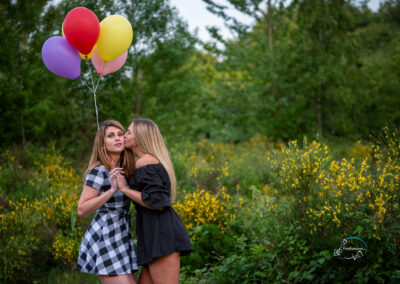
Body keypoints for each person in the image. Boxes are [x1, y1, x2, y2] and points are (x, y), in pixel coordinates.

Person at [115, 118, 193, 284]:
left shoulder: (146, 162)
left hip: (161, 236)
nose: (124, 136)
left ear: (140, 137)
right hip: (154, 235)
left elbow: (157, 202)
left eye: (128, 132)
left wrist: (124, 189)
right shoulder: (147, 161)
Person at [76, 120, 138, 284]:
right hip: (104, 236)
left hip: (122, 235)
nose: (117, 138)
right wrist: (111, 190)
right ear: (102, 143)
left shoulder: (127, 169)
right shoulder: (99, 171)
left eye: (120, 134)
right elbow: (82, 210)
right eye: (111, 136)